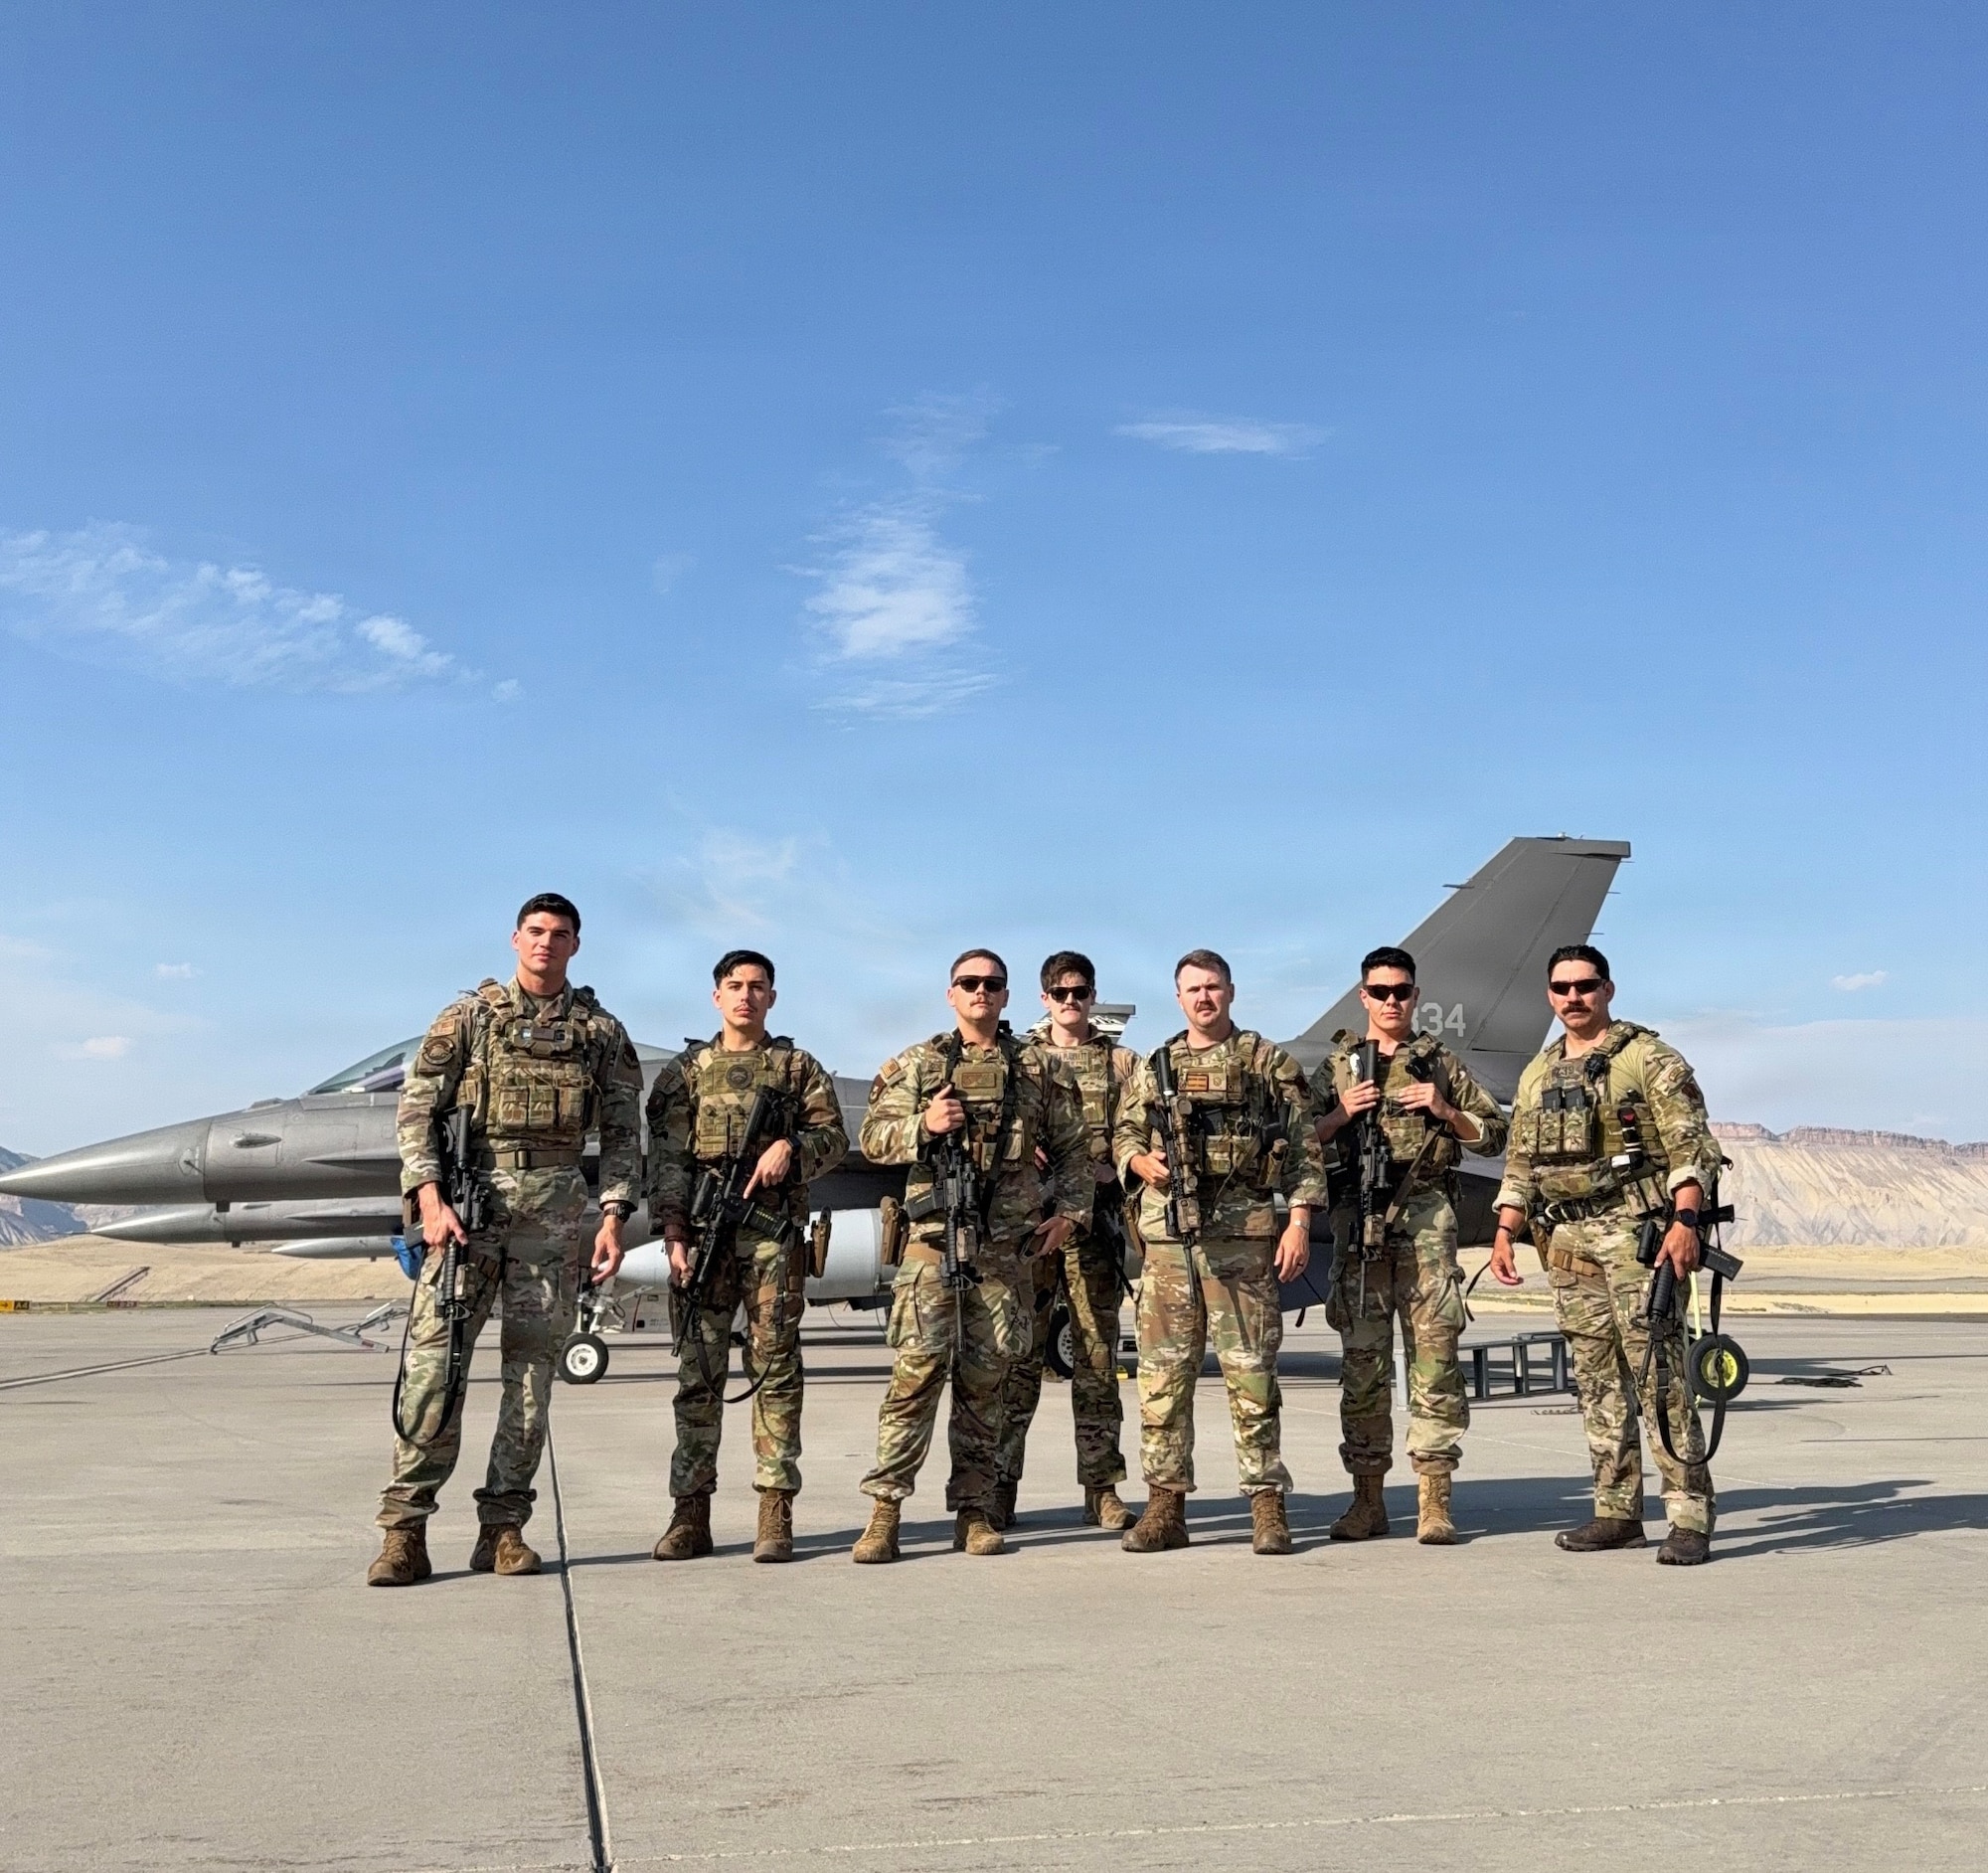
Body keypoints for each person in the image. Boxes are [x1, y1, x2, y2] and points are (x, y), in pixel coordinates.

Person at [368, 893, 641, 1586]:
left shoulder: (601, 1032)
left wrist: (611, 1216)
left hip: (552, 1222)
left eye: (561, 934)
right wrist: (429, 1200)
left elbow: (621, 1132)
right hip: (466, 1216)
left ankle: (504, 1529)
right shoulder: (468, 1018)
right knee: (435, 1376)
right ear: (516, 939)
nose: (547, 943)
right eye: (537, 932)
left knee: (529, 1384)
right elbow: (417, 1111)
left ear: (577, 946)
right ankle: (405, 1532)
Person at [851, 950, 1091, 1562]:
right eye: (969, 983)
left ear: (1007, 996)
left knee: (987, 1388)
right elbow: (873, 1140)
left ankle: (975, 1512)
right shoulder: (917, 1065)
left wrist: (1070, 1214)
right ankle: (885, 1514)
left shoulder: (1037, 1070)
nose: (981, 991)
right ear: (951, 993)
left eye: (992, 984)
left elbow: (1074, 1149)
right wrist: (923, 1126)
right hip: (932, 1248)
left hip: (1004, 1255)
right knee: (914, 1382)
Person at [1487, 944, 1723, 1565]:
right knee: (1596, 1381)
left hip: (1636, 1235)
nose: (1574, 998)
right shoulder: (1538, 1073)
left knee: (1659, 1376)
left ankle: (1689, 1516)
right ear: (1549, 995)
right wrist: (1506, 1229)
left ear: (1608, 989)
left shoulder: (1647, 1059)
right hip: (1565, 1243)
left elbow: (1690, 1148)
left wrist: (1685, 1222)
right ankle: (1616, 1511)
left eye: (1585, 986)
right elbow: (1522, 1163)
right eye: (1562, 987)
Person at [1112, 949, 1326, 1556]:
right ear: (1178, 998)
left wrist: (1299, 1222)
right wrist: (1137, 1159)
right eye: (1192, 990)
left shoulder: (1267, 1063)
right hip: (1170, 1248)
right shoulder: (1157, 1065)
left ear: (1231, 991)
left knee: (1252, 1376)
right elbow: (1124, 1130)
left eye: (1213, 987)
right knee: (1161, 1380)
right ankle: (1164, 1507)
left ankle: (1266, 1505)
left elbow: (1304, 1148)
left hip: (1243, 1243)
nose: (1204, 998)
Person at [644, 949, 848, 1564]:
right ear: (716, 996)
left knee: (777, 1372)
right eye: (735, 986)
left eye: (758, 987)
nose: (746, 996)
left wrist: (791, 1147)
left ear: (772, 997)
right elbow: (670, 1162)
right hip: (705, 1236)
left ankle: (774, 1511)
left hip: (770, 1236)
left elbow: (833, 1137)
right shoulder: (685, 1073)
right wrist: (674, 1233)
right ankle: (690, 1516)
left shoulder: (796, 1068)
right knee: (697, 1377)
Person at [1312, 946, 1509, 1545]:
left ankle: (1434, 1503)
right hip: (1360, 1233)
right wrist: (1342, 1115)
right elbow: (1295, 1144)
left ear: (1415, 996)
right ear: (1363, 996)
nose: (1391, 1001)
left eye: (1402, 991)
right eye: (1381, 992)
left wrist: (1444, 1108)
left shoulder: (1438, 1062)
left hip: (1426, 1227)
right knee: (1362, 1370)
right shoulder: (1338, 1069)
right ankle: (1368, 1501)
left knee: (1435, 1366)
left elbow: (1494, 1132)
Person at [992, 951, 1139, 1532]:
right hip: (1028, 1225)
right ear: (1044, 996)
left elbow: (1142, 1127)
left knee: (1097, 1361)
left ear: (1092, 994)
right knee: (1017, 1359)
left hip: (1092, 1227)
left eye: (1080, 992)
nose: (1071, 1002)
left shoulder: (1124, 1064)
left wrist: (1113, 1166)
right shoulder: (1018, 1061)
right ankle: (1001, 1486)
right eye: (1060, 992)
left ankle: (1101, 1489)